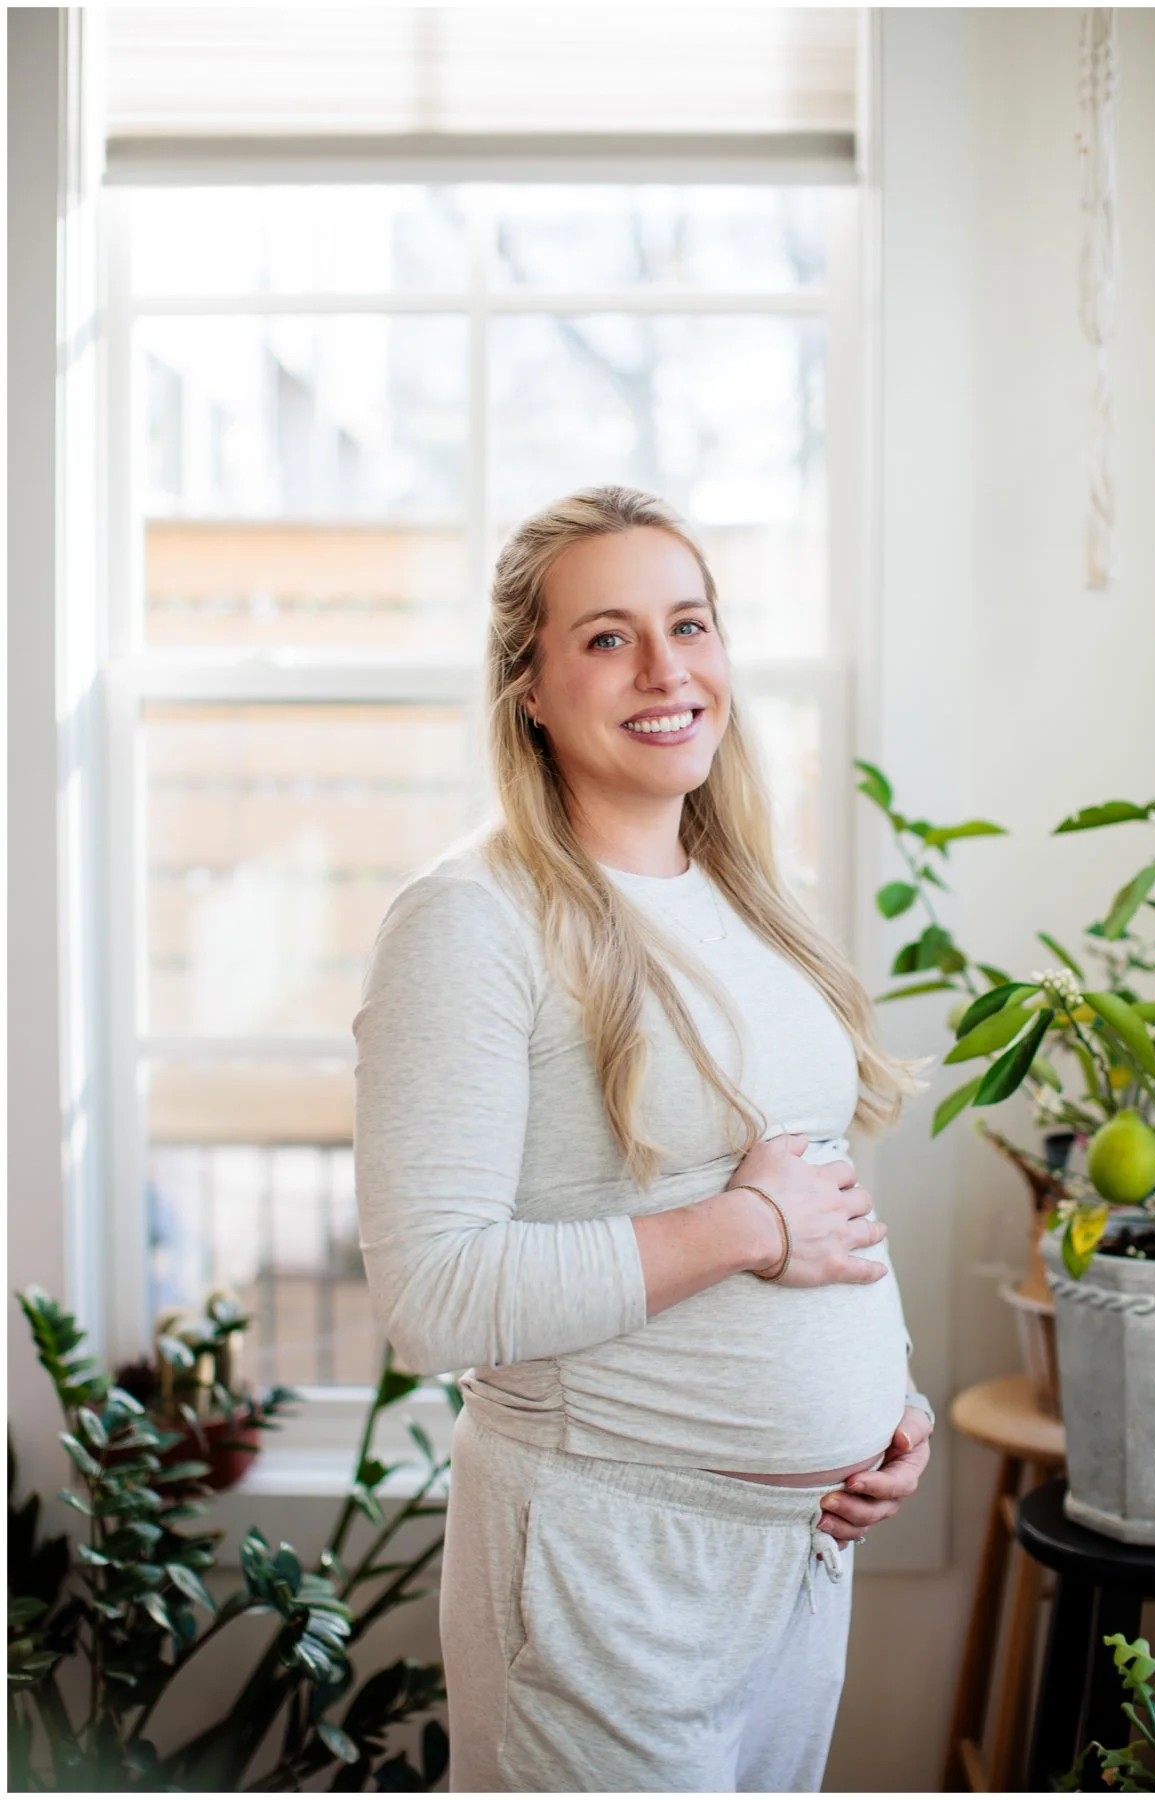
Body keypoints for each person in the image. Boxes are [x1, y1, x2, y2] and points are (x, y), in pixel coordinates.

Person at [354, 486, 933, 1791]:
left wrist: (886, 1411)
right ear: (530, 688)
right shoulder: (470, 923)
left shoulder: (753, 907)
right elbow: (434, 1301)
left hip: (798, 1556)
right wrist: (746, 1229)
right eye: (610, 638)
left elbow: (815, 1184)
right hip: (606, 1562)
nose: (669, 670)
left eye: (692, 623)